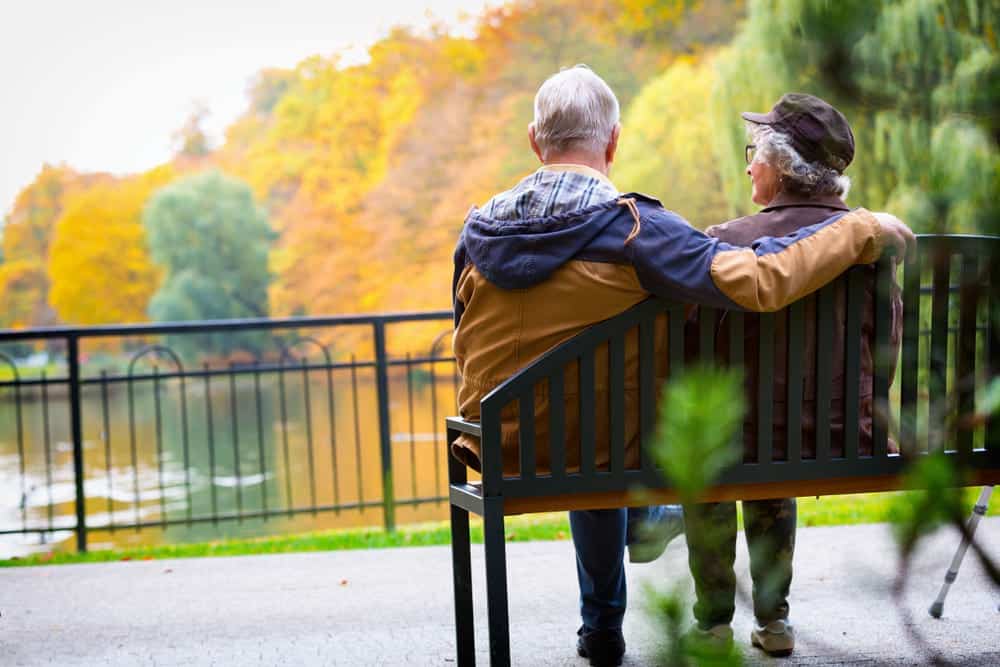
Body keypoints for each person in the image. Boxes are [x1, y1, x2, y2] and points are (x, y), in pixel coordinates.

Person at [450, 68, 914, 667]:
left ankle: (607, 622)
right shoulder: (635, 227)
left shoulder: (475, 229)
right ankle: (650, 536)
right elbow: (756, 280)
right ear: (613, 142)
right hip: (602, 449)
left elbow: (462, 327)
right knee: (601, 426)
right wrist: (856, 228)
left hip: (494, 447)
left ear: (534, 140)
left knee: (587, 426)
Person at [682, 92, 904, 658]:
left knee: (723, 444)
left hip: (746, 442)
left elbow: (687, 353)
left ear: (779, 168)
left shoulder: (725, 243)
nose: (749, 162)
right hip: (842, 436)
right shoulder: (873, 244)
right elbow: (887, 350)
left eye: (754, 151)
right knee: (773, 440)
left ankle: (712, 622)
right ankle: (773, 620)